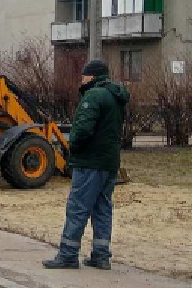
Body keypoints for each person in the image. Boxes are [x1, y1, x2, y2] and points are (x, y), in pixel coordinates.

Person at [43, 59, 130, 270]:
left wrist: (73, 146)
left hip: (90, 161)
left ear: (91, 76)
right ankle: (101, 256)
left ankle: (68, 255)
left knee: (78, 207)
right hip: (110, 162)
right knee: (102, 207)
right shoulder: (117, 96)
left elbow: (82, 130)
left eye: (83, 76)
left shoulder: (93, 95)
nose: (81, 79)